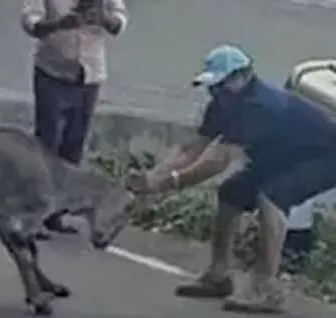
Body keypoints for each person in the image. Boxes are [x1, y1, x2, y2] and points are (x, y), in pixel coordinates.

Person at [128, 44, 336, 314]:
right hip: (282, 155)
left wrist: (170, 183)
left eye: (221, 85)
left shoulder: (258, 104)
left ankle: (267, 289)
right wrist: (151, 177)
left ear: (244, 76)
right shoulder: (223, 103)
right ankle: (218, 275)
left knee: (272, 198)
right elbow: (192, 148)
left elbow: (218, 161)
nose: (215, 92)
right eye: (212, 86)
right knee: (231, 192)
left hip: (325, 157)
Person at [21, 0, 129, 234]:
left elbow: (120, 20)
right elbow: (30, 22)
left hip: (89, 73)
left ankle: (57, 212)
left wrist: (105, 19)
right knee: (47, 143)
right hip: (52, 70)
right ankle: (34, 213)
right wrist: (57, 23)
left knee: (74, 146)